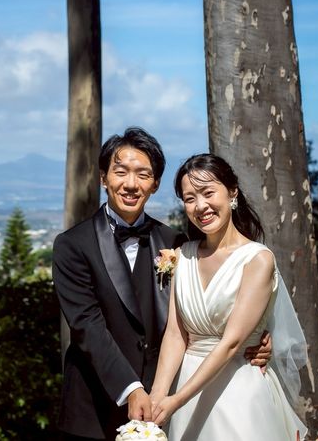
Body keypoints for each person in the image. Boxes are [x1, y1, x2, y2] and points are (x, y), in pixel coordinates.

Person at [52, 130, 271, 441]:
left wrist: (257, 338)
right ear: (103, 178)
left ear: (154, 184)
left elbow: (203, 312)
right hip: (94, 409)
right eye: (120, 172)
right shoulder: (72, 245)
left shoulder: (176, 243)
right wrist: (131, 389)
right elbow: (87, 326)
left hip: (166, 401)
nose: (131, 184)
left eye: (143, 174)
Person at [143, 153, 318, 440]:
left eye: (208, 193)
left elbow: (231, 343)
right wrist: (158, 395)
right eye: (190, 198)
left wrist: (177, 400)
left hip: (238, 391)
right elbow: (176, 335)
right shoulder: (183, 256)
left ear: (232, 192)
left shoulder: (257, 260)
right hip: (184, 388)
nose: (200, 206)